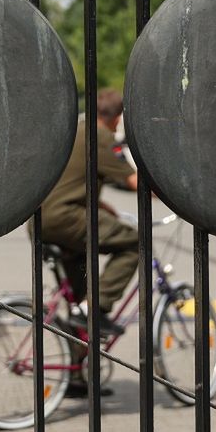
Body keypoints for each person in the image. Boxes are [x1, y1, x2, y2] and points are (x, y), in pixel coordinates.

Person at [36, 89, 140, 338]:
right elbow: (135, 182)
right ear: (117, 117)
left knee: (79, 302)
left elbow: (71, 182)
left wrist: (105, 208)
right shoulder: (101, 137)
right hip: (65, 218)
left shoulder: (74, 132)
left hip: (43, 220)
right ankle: (96, 307)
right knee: (136, 244)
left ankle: (78, 372)